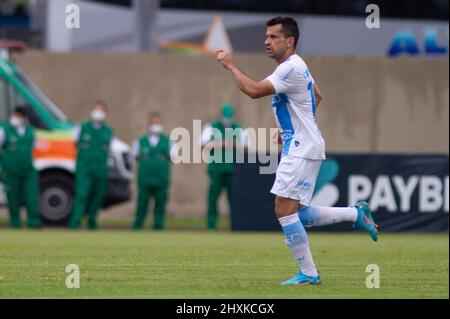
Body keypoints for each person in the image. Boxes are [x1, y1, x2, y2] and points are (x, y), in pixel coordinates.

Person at [216, 16, 378, 285]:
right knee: (295, 212)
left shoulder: (289, 68)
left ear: (289, 41)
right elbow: (316, 96)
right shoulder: (297, 65)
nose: (267, 42)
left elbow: (254, 91)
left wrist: (231, 66)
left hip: (302, 148)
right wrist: (292, 127)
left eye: (274, 37)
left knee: (284, 210)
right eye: (266, 36)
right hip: (303, 144)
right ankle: (355, 214)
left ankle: (310, 274)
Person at [200, 103, 249, 230]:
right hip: (215, 168)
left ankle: (235, 225)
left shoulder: (240, 128)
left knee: (234, 199)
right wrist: (218, 144)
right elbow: (202, 145)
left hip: (234, 169)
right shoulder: (211, 126)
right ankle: (211, 225)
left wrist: (233, 144)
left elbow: (246, 148)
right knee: (213, 198)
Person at [68, 101, 113, 229]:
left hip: (100, 169)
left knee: (97, 197)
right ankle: (75, 222)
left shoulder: (108, 131)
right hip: (84, 168)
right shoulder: (81, 127)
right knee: (82, 194)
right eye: (96, 109)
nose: (98, 112)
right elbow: (73, 144)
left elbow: (109, 149)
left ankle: (92, 222)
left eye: (102, 110)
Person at [0, 105, 42, 228]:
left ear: (24, 118)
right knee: (13, 197)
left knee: (32, 196)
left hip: (28, 169)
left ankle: (34, 222)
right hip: (11, 169)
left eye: (20, 116)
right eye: (16, 115)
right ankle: (15, 222)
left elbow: (35, 149)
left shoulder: (30, 131)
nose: (17, 118)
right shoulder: (4, 130)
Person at [132, 112, 174, 230]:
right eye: (153, 122)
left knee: (161, 202)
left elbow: (173, 158)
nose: (155, 125)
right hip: (145, 177)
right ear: (149, 124)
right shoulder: (140, 141)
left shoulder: (169, 141)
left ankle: (159, 225)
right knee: (142, 202)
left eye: (158, 122)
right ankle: (138, 225)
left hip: (161, 178)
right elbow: (134, 158)